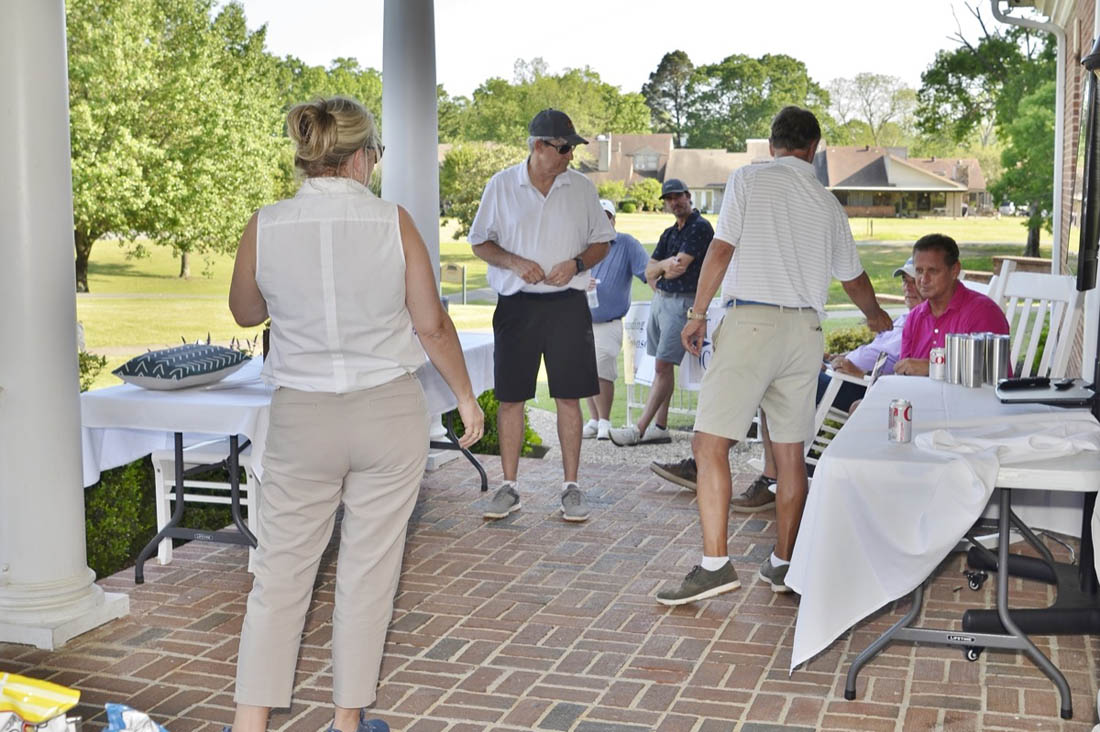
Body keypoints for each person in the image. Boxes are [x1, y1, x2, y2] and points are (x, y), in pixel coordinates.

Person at [225, 96, 484, 732]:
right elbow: (432, 324)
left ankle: (250, 724)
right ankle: (346, 723)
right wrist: (465, 396)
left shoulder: (266, 224)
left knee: (279, 578)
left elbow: (245, 312)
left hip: (301, 417)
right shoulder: (393, 222)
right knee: (369, 574)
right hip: (386, 414)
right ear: (363, 156)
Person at [655, 106, 892, 606]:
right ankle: (784, 562)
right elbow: (854, 279)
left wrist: (697, 314)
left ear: (772, 144)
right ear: (814, 148)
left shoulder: (749, 179)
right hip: (805, 332)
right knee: (789, 454)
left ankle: (715, 566)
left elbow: (721, 249)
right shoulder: (828, 204)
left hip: (751, 324)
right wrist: (876, 316)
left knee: (709, 444)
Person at [650, 258, 924, 497]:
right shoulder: (904, 319)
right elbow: (871, 352)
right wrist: (833, 358)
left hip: (854, 387)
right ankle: (730, 462)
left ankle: (714, 460)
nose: (907, 287)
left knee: (768, 376)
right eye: (905, 281)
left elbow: (900, 372)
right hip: (838, 374)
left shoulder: (918, 325)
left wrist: (859, 373)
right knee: (768, 374)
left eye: (913, 282)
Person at [469, 108, 615, 523]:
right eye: (564, 148)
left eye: (572, 149)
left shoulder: (581, 188)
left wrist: (576, 263)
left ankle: (571, 487)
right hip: (516, 307)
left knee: (569, 396)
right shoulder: (501, 185)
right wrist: (514, 262)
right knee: (511, 398)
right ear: (538, 146)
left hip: (568, 306)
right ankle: (509, 487)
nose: (571, 156)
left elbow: (603, 242)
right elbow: (480, 242)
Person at [609, 179, 713, 446]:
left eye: (678, 196)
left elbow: (680, 267)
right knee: (662, 366)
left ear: (688, 196)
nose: (674, 202)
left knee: (662, 366)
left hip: (683, 303)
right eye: (669, 199)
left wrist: (661, 268)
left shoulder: (700, 227)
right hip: (661, 300)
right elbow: (649, 271)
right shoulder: (669, 232)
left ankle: (638, 430)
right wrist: (664, 265)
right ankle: (660, 427)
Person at [894, 233, 1009, 376]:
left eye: (933, 271)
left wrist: (932, 367)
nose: (923, 279)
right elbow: (903, 375)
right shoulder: (914, 317)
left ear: (954, 270)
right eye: (919, 271)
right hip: (917, 391)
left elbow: (992, 374)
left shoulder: (983, 312)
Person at [583, 199, 650, 440]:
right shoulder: (582, 244)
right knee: (584, 369)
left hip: (609, 320)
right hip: (580, 319)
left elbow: (647, 271)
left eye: (607, 216)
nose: (603, 221)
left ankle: (605, 421)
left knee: (602, 367)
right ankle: (593, 420)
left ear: (613, 220)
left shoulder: (626, 244)